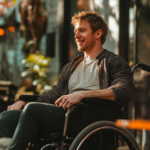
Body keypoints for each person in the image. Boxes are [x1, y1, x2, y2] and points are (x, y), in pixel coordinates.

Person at [0, 11, 133, 150]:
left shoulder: (113, 62)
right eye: (75, 31)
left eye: (82, 30)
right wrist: (24, 100)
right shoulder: (72, 66)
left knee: (33, 110)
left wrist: (82, 95)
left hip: (88, 118)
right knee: (7, 117)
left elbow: (123, 91)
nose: (76, 36)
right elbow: (53, 95)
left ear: (98, 33)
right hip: (66, 115)